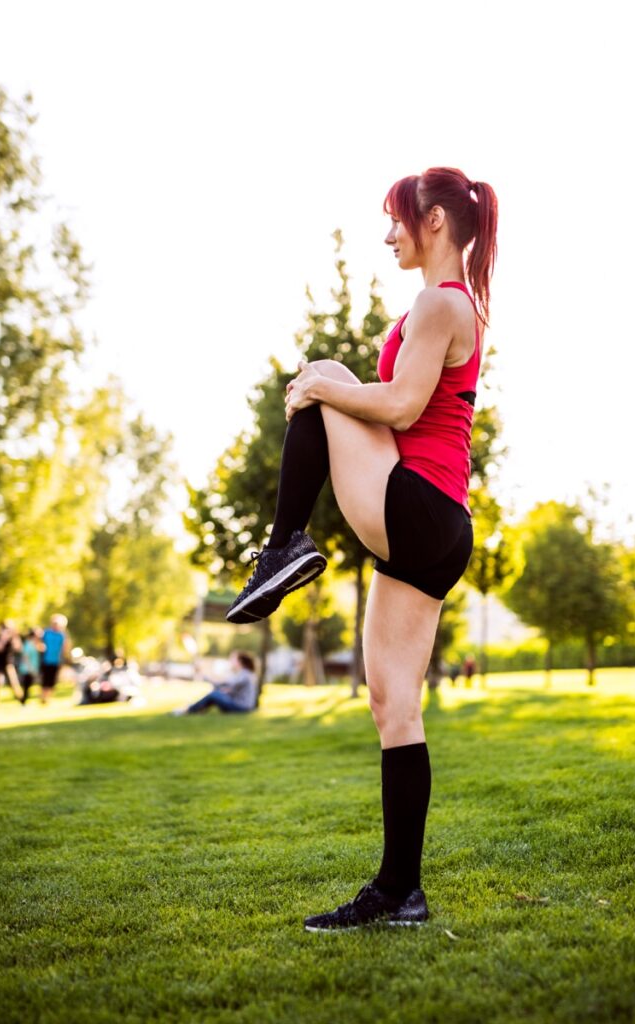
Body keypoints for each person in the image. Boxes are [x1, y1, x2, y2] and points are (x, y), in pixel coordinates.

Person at [225, 166, 498, 930]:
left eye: (396, 221)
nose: (387, 235)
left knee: (325, 376)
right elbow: (399, 410)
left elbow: (402, 405)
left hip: (421, 504)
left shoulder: (439, 303)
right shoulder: (452, 305)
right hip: (433, 527)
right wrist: (324, 392)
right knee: (392, 706)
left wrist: (317, 386)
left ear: (435, 221)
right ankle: (398, 891)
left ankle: (281, 548)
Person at [170, 651, 258, 715]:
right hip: (240, 706)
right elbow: (227, 688)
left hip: (242, 708)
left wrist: (203, 674)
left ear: (240, 661)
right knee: (215, 693)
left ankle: (189, 710)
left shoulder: (245, 675)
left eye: (233, 659)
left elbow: (222, 683)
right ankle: (194, 709)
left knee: (214, 694)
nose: (230, 661)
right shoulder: (243, 674)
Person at [0, 621, 23, 705]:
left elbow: (18, 648)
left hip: (8, 663)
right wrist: (3, 638)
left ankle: (21, 700)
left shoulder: (12, 638)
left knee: (14, 682)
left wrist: (15, 636)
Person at [40, 614, 70, 704]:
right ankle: (43, 697)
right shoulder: (46, 632)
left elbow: (65, 647)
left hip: (56, 660)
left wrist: (64, 658)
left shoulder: (62, 635)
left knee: (52, 680)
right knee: (45, 680)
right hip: (46, 660)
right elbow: (40, 642)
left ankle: (47, 698)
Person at [18, 628, 42, 704]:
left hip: (33, 668)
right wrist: (30, 668)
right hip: (27, 669)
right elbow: (25, 657)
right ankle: (23, 701)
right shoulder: (28, 644)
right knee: (26, 686)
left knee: (29, 685)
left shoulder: (35, 644)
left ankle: (24, 700)